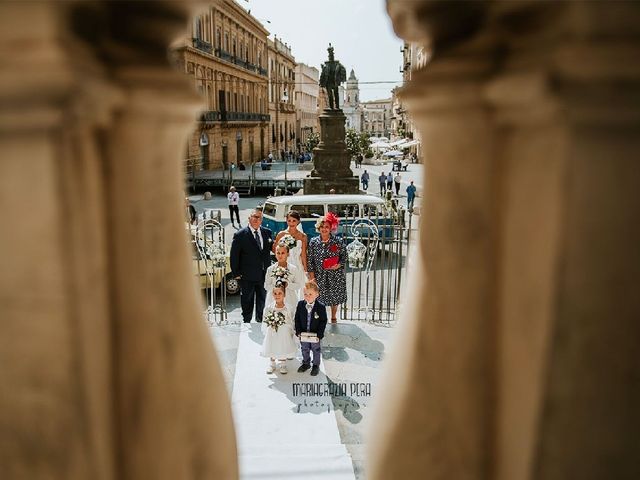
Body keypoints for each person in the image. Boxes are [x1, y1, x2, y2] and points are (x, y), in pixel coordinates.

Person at [230, 207, 273, 323]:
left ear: (262, 220)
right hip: (247, 275)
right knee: (247, 300)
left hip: (263, 274)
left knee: (262, 300)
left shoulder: (267, 233)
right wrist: (236, 273)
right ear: (249, 218)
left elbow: (272, 250)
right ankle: (247, 321)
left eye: (258, 217)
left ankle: (260, 321)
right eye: (254, 216)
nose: (256, 219)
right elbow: (234, 256)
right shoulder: (240, 235)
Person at [306, 213, 347, 323]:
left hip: (335, 274)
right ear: (318, 228)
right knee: (319, 297)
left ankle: (333, 316)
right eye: (322, 227)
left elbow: (344, 256)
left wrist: (339, 265)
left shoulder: (338, 241)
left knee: (335, 296)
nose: (324, 229)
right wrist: (312, 278)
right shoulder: (313, 242)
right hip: (319, 275)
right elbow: (310, 261)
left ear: (331, 228)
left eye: (327, 227)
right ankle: (320, 318)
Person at [294, 281, 328, 376]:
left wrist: (320, 335)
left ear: (317, 294)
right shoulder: (301, 304)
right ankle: (306, 363)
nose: (307, 296)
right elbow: (297, 319)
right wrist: (298, 332)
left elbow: (323, 321)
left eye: (310, 294)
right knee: (304, 348)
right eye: (305, 294)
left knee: (316, 349)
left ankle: (316, 365)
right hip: (304, 333)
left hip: (315, 334)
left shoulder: (321, 307)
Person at [262, 284, 297, 374]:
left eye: (280, 293)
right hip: (272, 330)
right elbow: (265, 319)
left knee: (283, 345)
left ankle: (283, 363)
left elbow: (291, 319)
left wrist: (291, 330)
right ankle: (272, 363)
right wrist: (271, 323)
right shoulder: (269, 307)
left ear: (284, 295)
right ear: (272, 294)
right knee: (272, 345)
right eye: (275, 293)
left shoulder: (288, 307)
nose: (277, 295)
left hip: (284, 331)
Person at [265, 243, 304, 312]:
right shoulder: (270, 269)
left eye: (283, 253)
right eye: (278, 253)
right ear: (275, 254)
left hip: (290, 299)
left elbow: (298, 285)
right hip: (273, 299)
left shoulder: (293, 269)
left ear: (288, 254)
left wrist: (288, 284)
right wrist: (276, 286)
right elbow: (266, 286)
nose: (280, 255)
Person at [273, 210, 308, 276]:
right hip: (284, 265)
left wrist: (306, 271)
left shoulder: (303, 236)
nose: (291, 223)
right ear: (286, 221)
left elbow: (303, 255)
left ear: (298, 221)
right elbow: (276, 251)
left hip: (298, 265)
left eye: (294, 221)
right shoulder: (281, 235)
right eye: (289, 221)